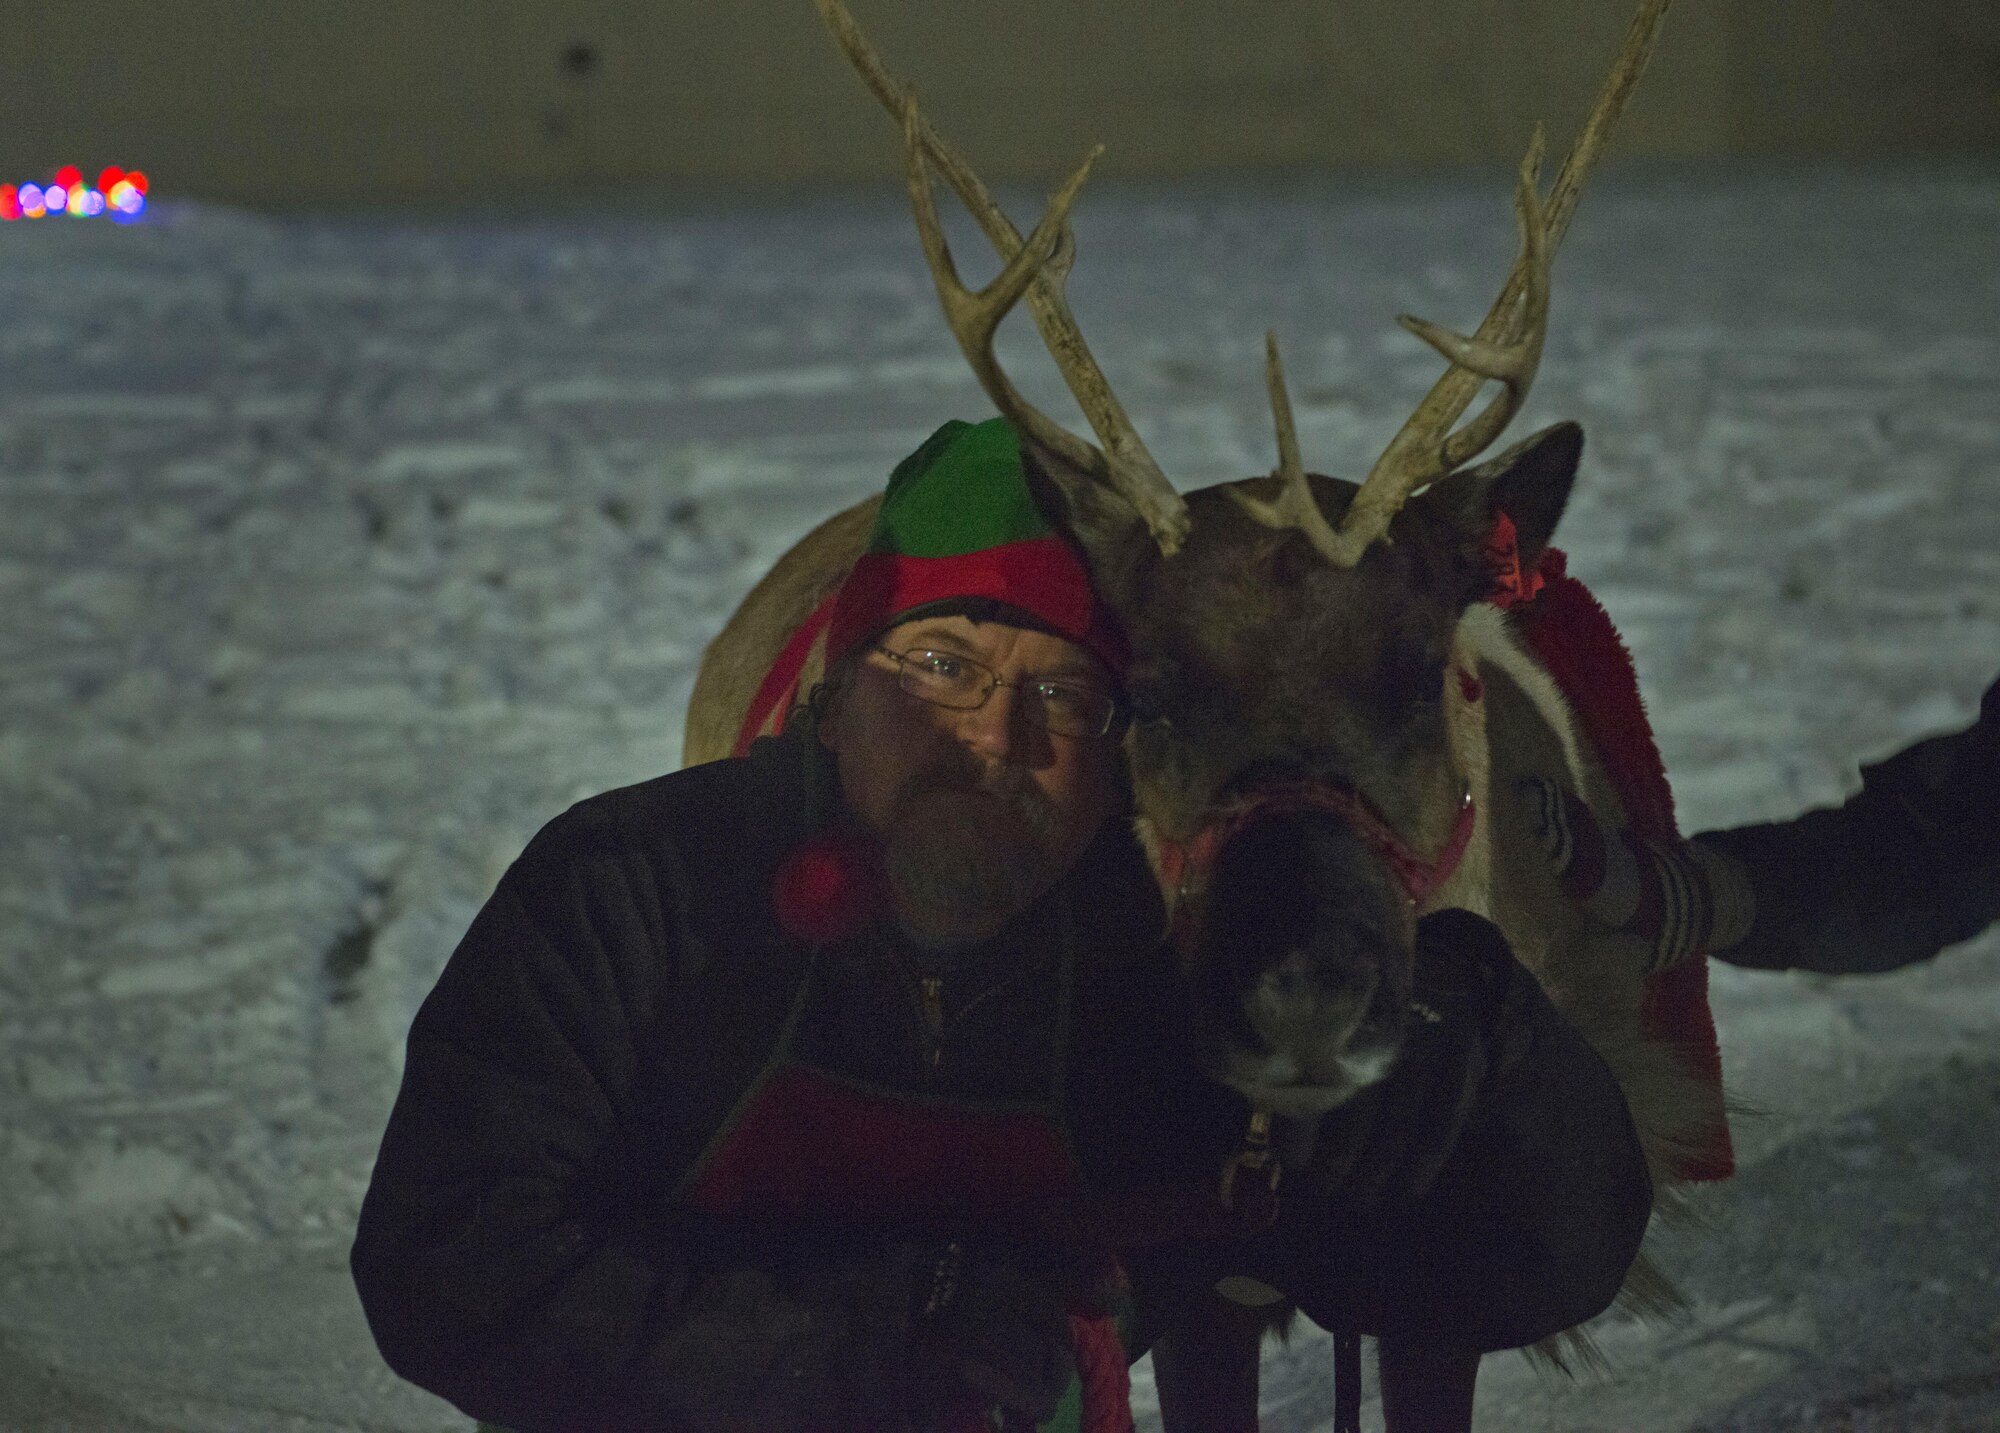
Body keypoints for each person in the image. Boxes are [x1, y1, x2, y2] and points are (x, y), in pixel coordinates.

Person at [349, 417, 1656, 1433]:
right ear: (838, 686)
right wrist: (875, 1331)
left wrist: (1495, 1059)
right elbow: (446, 1260)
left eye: (1064, 698)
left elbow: (1505, 1265)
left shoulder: (1120, 975)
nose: (996, 738)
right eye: (945, 668)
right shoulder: (631, 894)